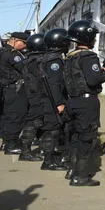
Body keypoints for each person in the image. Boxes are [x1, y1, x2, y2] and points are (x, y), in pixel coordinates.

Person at [64, 20, 105, 186]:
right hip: (86, 103)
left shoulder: (70, 57)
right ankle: (81, 176)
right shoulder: (89, 56)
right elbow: (93, 80)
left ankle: (72, 170)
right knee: (87, 139)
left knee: (75, 137)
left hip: (72, 101)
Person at [39, 28, 70, 171]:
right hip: (51, 100)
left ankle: (50, 156)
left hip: (47, 98)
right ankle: (48, 161)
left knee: (52, 129)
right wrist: (59, 103)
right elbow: (55, 84)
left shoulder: (49, 56)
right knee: (52, 130)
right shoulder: (54, 60)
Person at [18, 34, 47, 162]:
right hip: (37, 94)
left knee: (35, 121)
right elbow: (43, 78)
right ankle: (25, 152)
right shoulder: (37, 61)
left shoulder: (29, 59)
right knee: (34, 122)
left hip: (32, 93)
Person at [0, 32, 28, 154]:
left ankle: (7, 142)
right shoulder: (12, 54)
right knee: (15, 116)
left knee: (7, 116)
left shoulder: (4, 52)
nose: (25, 46)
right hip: (14, 89)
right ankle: (11, 145)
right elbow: (24, 69)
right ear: (15, 40)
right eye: (24, 43)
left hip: (8, 88)